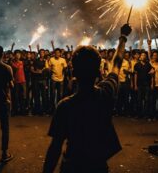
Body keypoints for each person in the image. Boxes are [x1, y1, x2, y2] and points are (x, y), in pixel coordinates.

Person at [43, 24, 131, 173]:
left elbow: (55, 148)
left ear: (74, 71)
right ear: (98, 71)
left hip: (72, 166)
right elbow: (116, 64)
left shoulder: (65, 106)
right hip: (98, 166)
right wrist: (123, 38)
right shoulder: (106, 93)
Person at [46, 48, 67, 113]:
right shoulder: (51, 59)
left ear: (60, 53)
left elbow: (65, 68)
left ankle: (59, 109)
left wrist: (63, 74)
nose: (57, 54)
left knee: (60, 95)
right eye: (56, 52)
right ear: (54, 53)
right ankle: (52, 109)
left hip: (61, 79)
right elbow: (49, 68)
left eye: (58, 52)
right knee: (52, 94)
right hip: (53, 79)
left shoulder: (63, 60)